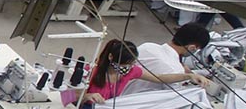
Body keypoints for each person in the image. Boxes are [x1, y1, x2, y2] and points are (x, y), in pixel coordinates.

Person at [79, 39, 211, 105]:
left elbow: (159, 78)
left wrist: (188, 76)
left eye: (131, 64)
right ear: (111, 57)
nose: (128, 67)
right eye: (125, 64)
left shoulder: (131, 71)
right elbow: (66, 96)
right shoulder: (91, 71)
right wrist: (87, 96)